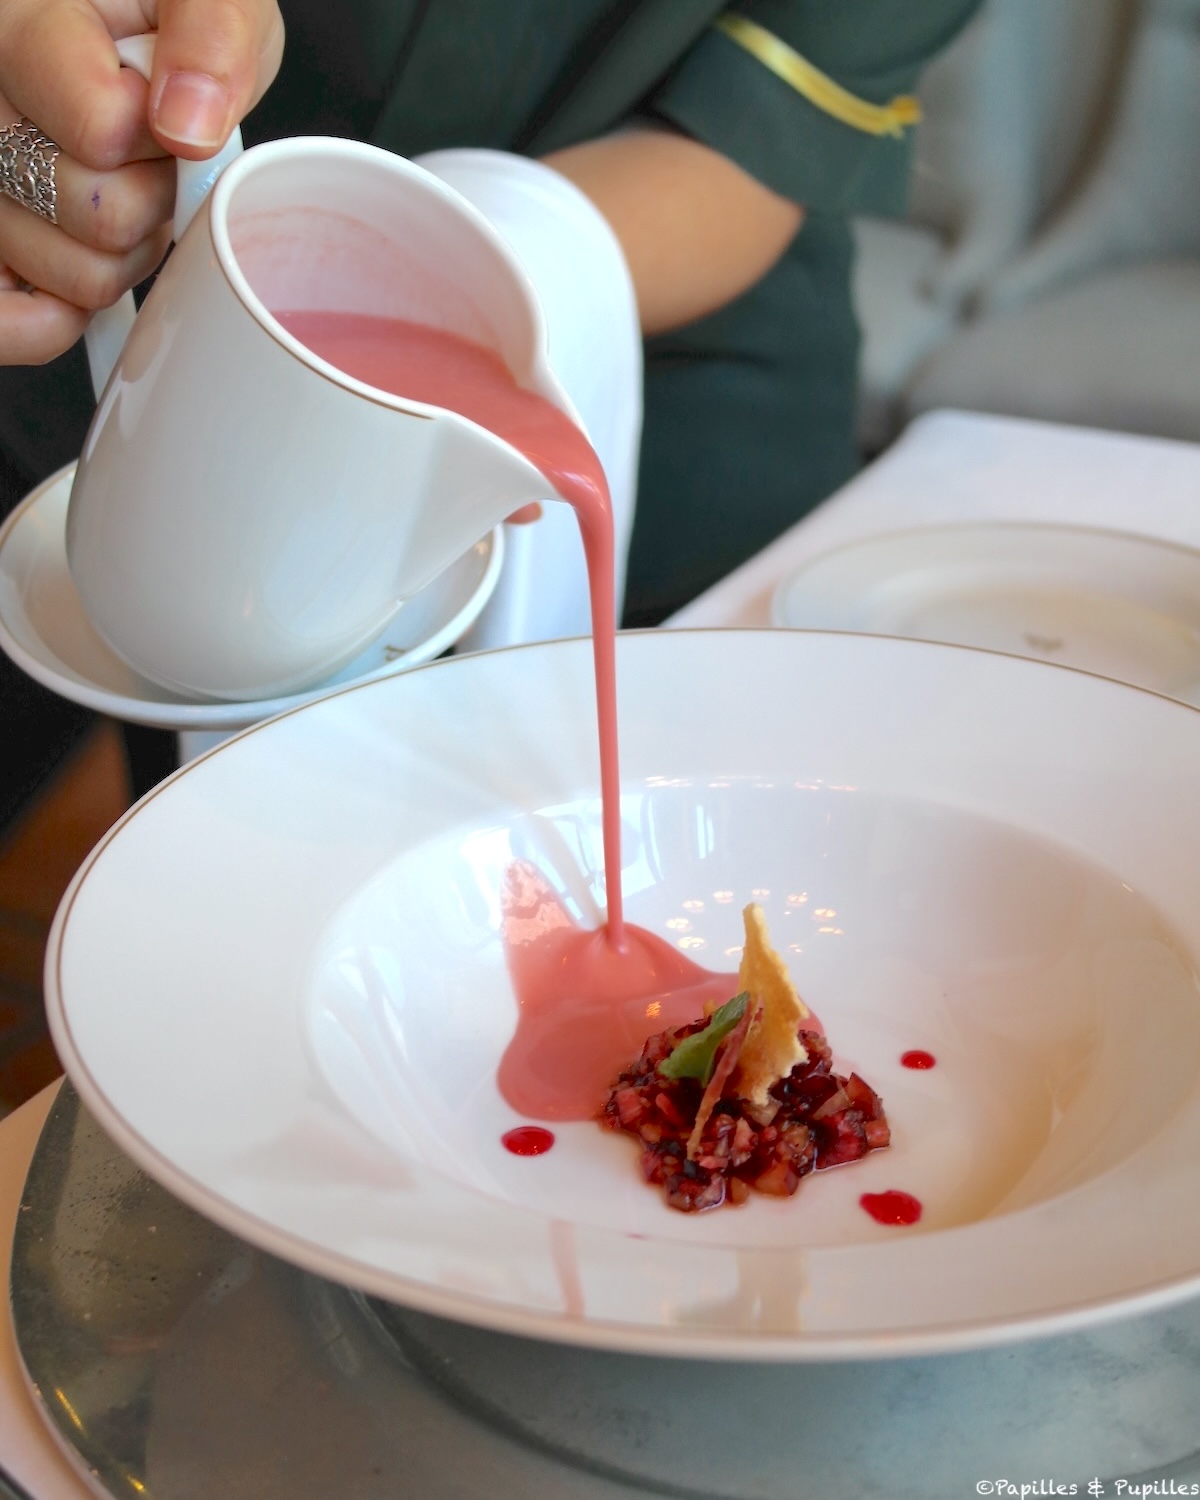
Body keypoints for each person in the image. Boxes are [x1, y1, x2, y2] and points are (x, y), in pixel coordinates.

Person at [0, 0, 980, 798]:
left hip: (690, 411)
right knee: (240, 870)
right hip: (182, 443)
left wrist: (461, 322)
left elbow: (762, 137)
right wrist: (46, 88)